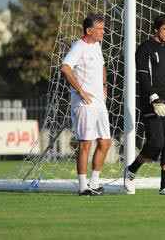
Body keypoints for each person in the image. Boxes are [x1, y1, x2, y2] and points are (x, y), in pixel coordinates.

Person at [124, 15, 165, 195]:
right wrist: (153, 97)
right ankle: (132, 169)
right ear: (156, 29)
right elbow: (143, 75)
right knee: (156, 142)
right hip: (151, 101)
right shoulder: (145, 48)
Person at [61, 14, 111, 196]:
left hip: (99, 102)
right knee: (85, 144)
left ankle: (95, 183)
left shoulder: (97, 45)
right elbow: (65, 68)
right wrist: (81, 91)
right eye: (100, 29)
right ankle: (83, 187)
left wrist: (105, 85)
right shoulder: (78, 47)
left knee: (105, 142)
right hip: (84, 103)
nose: (103, 32)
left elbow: (103, 66)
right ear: (89, 31)